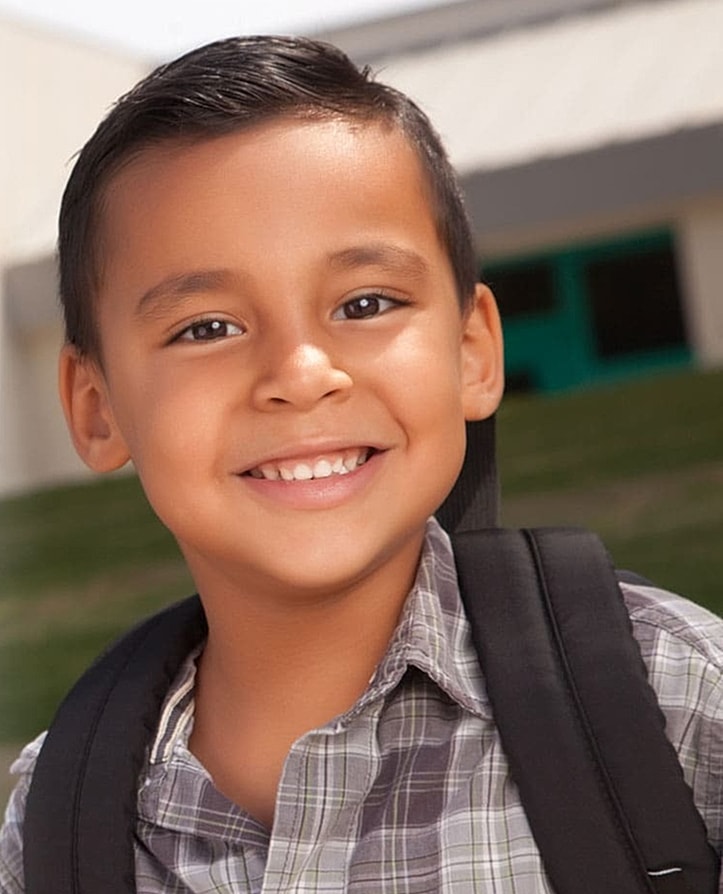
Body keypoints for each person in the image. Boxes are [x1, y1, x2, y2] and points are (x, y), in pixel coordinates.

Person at [1, 35, 721, 893]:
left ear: (471, 351)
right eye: (206, 328)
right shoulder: (56, 823)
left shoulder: (674, 699)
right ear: (96, 406)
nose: (301, 375)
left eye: (364, 304)